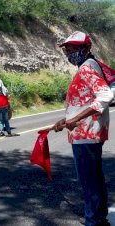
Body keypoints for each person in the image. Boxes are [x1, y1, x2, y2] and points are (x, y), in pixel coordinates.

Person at [53, 31, 113, 226]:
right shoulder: (86, 67)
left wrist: (76, 119)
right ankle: (99, 219)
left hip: (87, 134)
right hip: (87, 132)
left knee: (89, 182)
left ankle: (93, 222)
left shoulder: (87, 67)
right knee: (94, 178)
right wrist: (64, 120)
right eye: (67, 49)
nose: (69, 52)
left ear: (86, 48)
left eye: (73, 48)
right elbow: (82, 102)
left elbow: (105, 97)